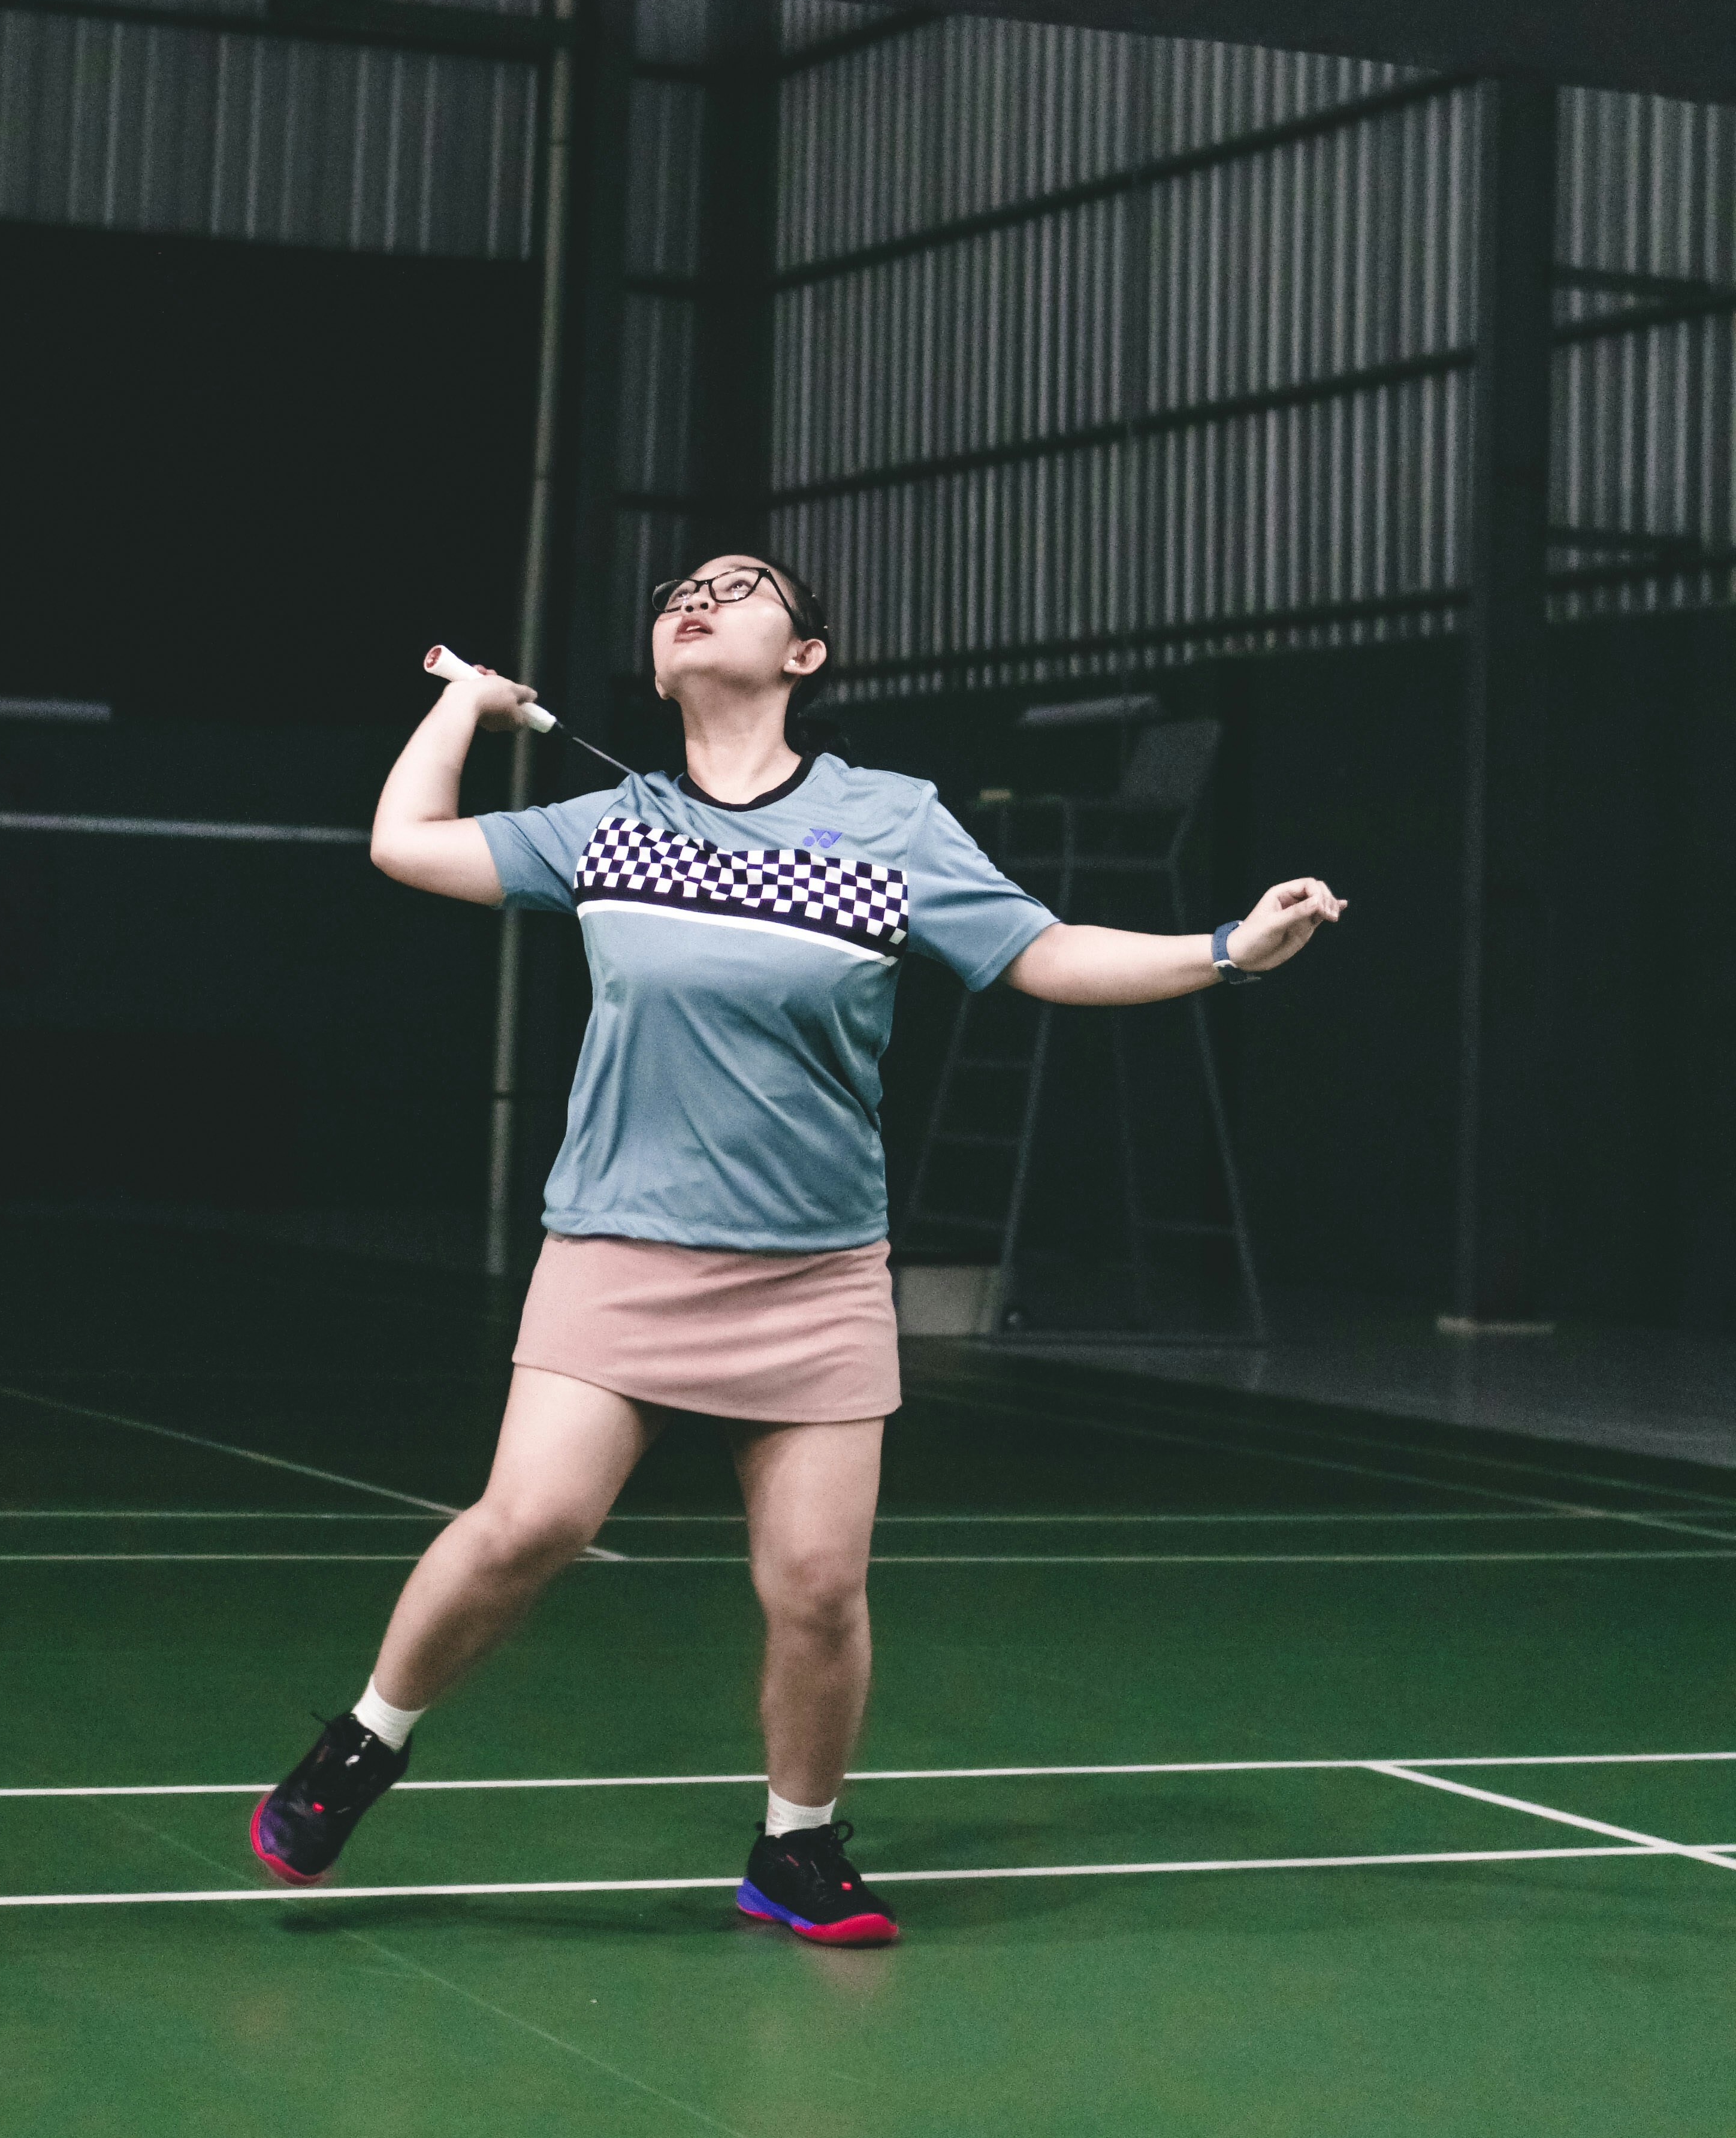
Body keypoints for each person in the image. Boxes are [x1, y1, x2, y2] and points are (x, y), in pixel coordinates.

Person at [251, 557, 1344, 1943]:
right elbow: (406, 842)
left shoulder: (889, 823)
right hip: (620, 1244)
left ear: (804, 655)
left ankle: (796, 1847)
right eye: (670, 596)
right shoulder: (610, 825)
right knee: (533, 1522)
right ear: (657, 667)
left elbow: (1043, 952)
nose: (692, 601)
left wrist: (1226, 948)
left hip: (815, 1269)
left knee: (818, 1586)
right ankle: (364, 1743)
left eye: (735, 586)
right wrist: (464, 704)